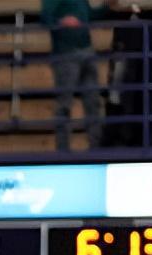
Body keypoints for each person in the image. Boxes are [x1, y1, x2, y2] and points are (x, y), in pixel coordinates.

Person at [41, 0, 110, 150]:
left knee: (93, 101)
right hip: (65, 53)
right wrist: (61, 21)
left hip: (86, 50)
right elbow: (45, 18)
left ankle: (96, 147)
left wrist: (106, 7)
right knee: (65, 104)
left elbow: (89, 14)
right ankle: (63, 149)